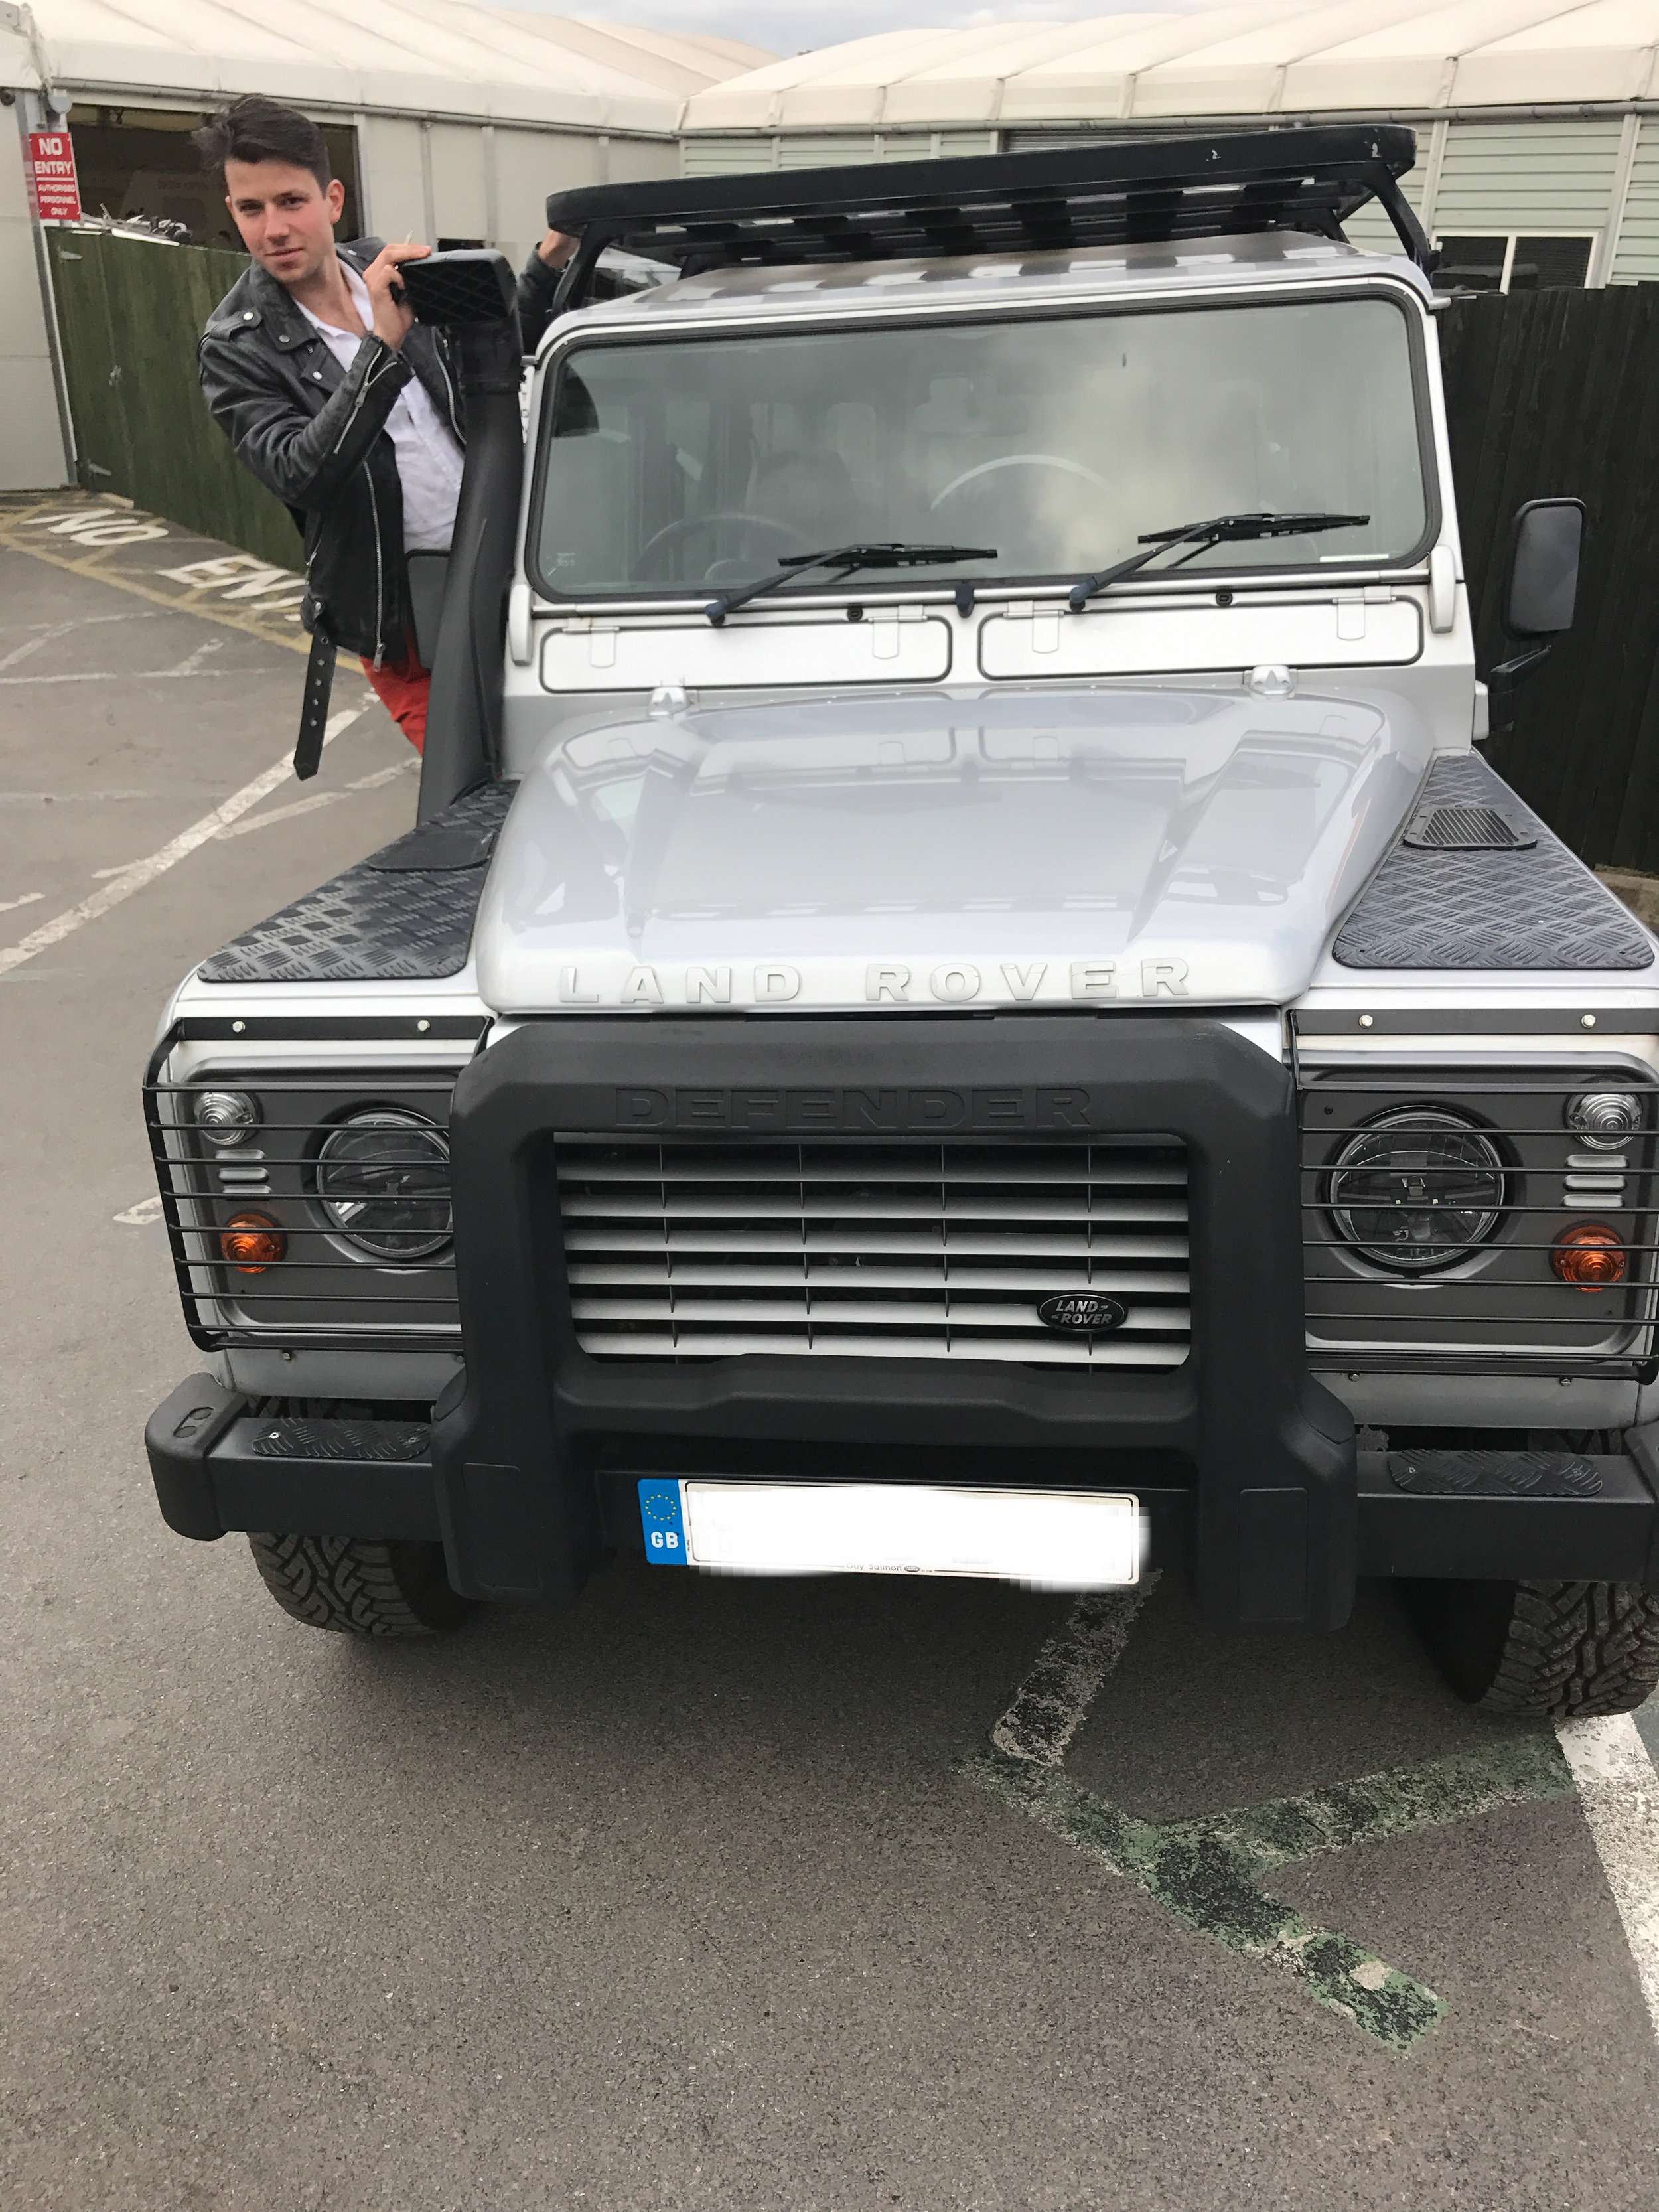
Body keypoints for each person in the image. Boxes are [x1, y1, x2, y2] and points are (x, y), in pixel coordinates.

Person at [192, 94, 576, 763]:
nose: (274, 228)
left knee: (559, 761)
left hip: (510, 570)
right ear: (232, 212)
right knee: (475, 788)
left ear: (332, 199)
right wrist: (380, 351)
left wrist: (547, 263)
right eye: (251, 209)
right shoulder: (235, 346)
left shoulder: (397, 273)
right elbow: (301, 474)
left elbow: (499, 345)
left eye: (291, 201)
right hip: (406, 622)